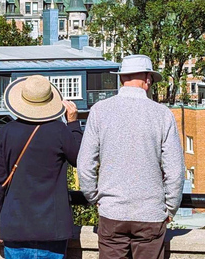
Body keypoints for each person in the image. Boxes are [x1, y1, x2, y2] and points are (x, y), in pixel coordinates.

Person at [77, 54, 185, 259]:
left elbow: (84, 165)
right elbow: (175, 170)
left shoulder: (100, 110)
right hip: (150, 213)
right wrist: (170, 208)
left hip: (112, 212)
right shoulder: (162, 114)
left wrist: (95, 198)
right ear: (148, 79)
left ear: (121, 79)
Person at [0, 74, 82, 259]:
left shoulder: (6, 132)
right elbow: (79, 158)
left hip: (15, 225)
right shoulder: (59, 131)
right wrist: (73, 123)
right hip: (52, 226)